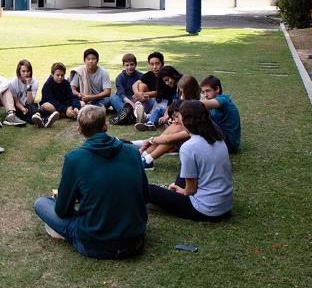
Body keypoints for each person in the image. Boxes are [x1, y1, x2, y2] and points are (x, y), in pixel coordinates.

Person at [33, 105, 148, 259]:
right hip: (134, 241)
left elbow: (62, 211)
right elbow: (145, 195)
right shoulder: (132, 151)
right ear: (105, 126)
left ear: (79, 130)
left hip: (94, 244)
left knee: (41, 203)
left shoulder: (75, 159)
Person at [147, 100, 233, 221]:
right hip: (225, 206)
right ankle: (170, 193)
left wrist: (180, 191)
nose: (176, 120)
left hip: (206, 210)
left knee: (146, 188)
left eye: (178, 116)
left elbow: (190, 190)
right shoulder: (218, 139)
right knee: (185, 169)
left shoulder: (189, 147)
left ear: (187, 119)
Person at [134, 75, 201, 170]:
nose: (182, 96)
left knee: (175, 131)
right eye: (180, 92)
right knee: (175, 127)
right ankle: (145, 157)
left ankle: (147, 159)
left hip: (196, 138)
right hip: (188, 134)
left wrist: (151, 140)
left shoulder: (198, 105)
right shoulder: (188, 103)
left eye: (183, 93)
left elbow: (171, 138)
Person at [7, 59, 58, 128]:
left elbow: (30, 102)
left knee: (32, 107)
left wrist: (28, 86)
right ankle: (44, 119)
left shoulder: (34, 82)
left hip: (29, 105)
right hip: (18, 106)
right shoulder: (13, 83)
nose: (26, 74)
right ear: (19, 71)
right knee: (25, 113)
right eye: (23, 71)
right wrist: (22, 108)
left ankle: (40, 117)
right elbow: (16, 102)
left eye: (28, 71)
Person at [200, 75, 241, 153]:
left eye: (208, 91)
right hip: (221, 139)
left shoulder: (223, 99)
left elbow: (201, 105)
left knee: (196, 114)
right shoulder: (211, 100)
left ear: (217, 89)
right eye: (203, 92)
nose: (205, 95)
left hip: (229, 144)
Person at [135, 65, 182, 131]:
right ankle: (150, 123)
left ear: (173, 75)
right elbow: (170, 103)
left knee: (166, 118)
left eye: (167, 80)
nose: (166, 83)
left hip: (180, 111)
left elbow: (182, 103)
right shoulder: (172, 88)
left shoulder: (182, 86)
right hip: (171, 110)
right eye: (165, 81)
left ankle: (146, 117)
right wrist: (166, 115)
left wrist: (168, 116)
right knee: (157, 109)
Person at [132, 52, 166, 124]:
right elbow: (135, 84)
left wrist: (142, 94)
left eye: (157, 64)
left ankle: (144, 117)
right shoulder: (149, 74)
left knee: (157, 107)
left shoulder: (166, 75)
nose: (154, 67)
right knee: (141, 85)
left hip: (162, 100)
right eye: (152, 64)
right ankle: (141, 112)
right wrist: (138, 94)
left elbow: (160, 92)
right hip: (150, 100)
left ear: (162, 64)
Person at [110, 53, 143, 125]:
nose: (130, 67)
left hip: (136, 99)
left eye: (132, 64)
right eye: (127, 65)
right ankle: (130, 114)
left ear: (135, 64)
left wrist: (135, 101)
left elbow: (143, 91)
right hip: (124, 101)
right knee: (113, 98)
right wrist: (131, 104)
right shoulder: (120, 77)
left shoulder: (141, 76)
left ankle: (127, 115)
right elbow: (121, 94)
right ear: (123, 66)